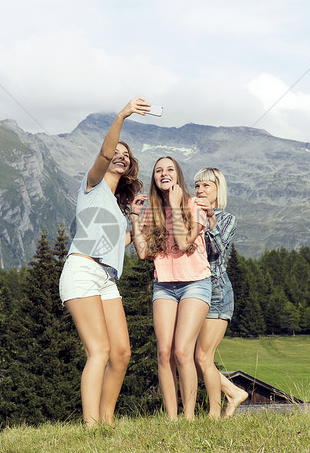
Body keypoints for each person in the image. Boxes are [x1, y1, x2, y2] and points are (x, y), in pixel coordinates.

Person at [59, 97, 149, 427]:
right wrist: (122, 116)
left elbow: (117, 243)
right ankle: (91, 426)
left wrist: (137, 221)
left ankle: (107, 420)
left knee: (122, 352)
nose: (119, 158)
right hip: (82, 270)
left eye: (126, 156)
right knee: (99, 351)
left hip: (106, 277)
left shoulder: (113, 205)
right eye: (117, 154)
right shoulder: (92, 185)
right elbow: (104, 154)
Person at [131, 156, 211, 420]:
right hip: (164, 286)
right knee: (164, 352)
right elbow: (143, 253)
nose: (164, 174)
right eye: (158, 171)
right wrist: (134, 217)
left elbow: (186, 241)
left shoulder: (193, 205)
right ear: (154, 178)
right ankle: (172, 419)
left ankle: (189, 418)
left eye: (169, 169)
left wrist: (176, 207)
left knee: (182, 350)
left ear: (178, 176)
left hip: (195, 284)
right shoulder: (151, 213)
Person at [193, 167, 249, 418]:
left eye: (206, 185)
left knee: (203, 356)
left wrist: (209, 220)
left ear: (218, 190)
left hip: (217, 292)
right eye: (197, 186)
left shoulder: (227, 219)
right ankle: (234, 393)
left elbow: (215, 249)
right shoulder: (189, 216)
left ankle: (214, 415)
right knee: (193, 357)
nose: (200, 190)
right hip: (193, 289)